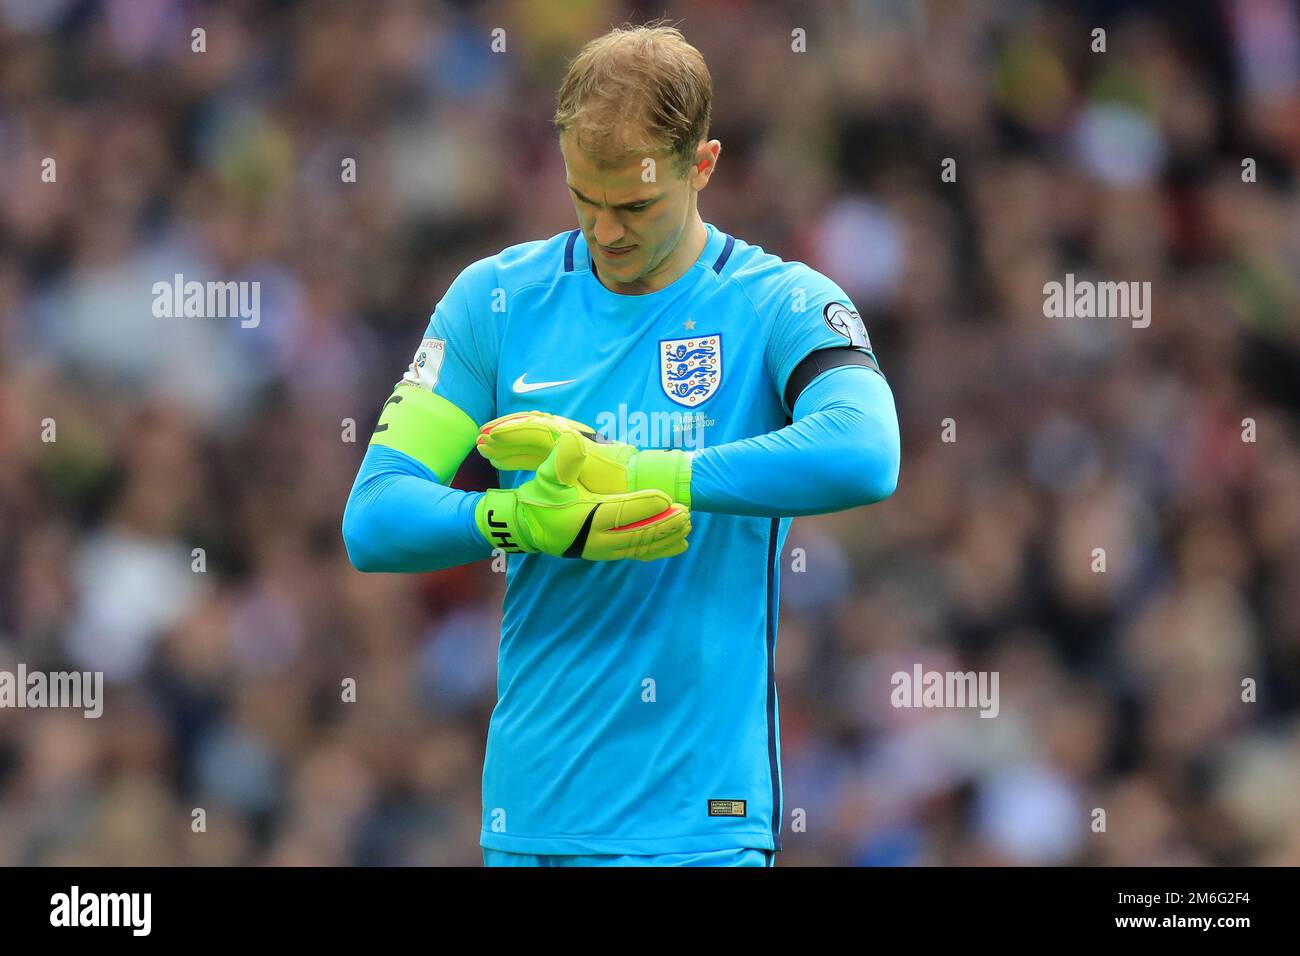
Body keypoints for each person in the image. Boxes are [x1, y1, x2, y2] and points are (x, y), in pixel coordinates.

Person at [342, 22, 900, 867]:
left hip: (698, 825)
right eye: (585, 199)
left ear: (701, 165)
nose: (606, 232)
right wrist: (517, 521)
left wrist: (644, 472)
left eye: (636, 205)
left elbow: (867, 450)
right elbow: (375, 516)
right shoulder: (494, 302)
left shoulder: (776, 303)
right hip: (531, 817)